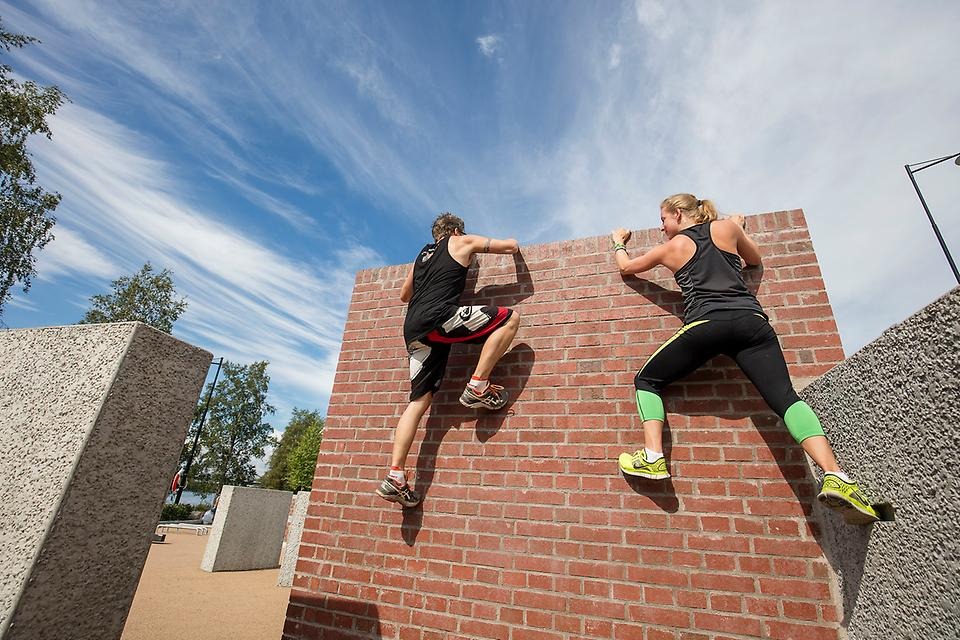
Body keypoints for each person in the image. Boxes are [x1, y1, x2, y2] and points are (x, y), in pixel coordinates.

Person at [610, 193, 878, 524]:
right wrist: (737, 228)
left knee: (646, 380)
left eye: (663, 218)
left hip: (708, 324)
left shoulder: (671, 248)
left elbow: (627, 269)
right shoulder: (727, 229)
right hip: (753, 323)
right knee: (784, 397)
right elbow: (754, 260)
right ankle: (838, 476)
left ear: (678, 214)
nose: (661, 225)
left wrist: (619, 242)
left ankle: (652, 458)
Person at [376, 212, 521, 508]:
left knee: (418, 402)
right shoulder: (461, 240)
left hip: (413, 330)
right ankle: (478, 386)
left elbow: (405, 294)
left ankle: (395, 476)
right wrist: (511, 245)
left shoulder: (421, 256)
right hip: (439, 319)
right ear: (455, 230)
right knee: (510, 319)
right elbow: (511, 247)